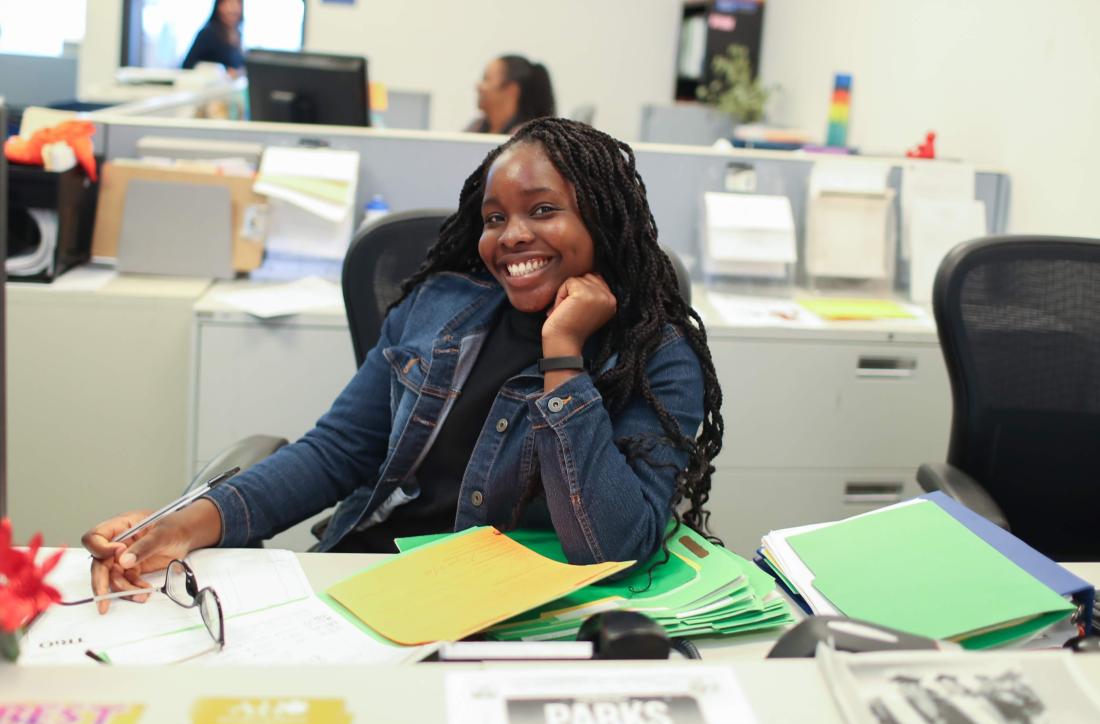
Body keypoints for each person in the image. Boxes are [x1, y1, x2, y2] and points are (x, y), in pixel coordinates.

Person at [81, 118, 724, 613]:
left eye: (542, 210)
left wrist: (564, 355)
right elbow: (335, 453)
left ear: (604, 220)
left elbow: (614, 542)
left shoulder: (659, 356)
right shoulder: (440, 308)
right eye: (494, 218)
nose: (511, 236)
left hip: (521, 616)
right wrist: (180, 527)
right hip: (375, 583)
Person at [467, 55, 556, 134]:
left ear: (511, 90)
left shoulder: (528, 139)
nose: (478, 86)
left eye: (486, 79)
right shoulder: (475, 128)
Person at [181, 0, 244, 75]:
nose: (234, 8)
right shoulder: (209, 32)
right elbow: (187, 65)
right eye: (229, 3)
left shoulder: (237, 34)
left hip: (230, 85)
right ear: (219, 6)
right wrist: (223, 73)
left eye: (237, 4)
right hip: (209, 84)